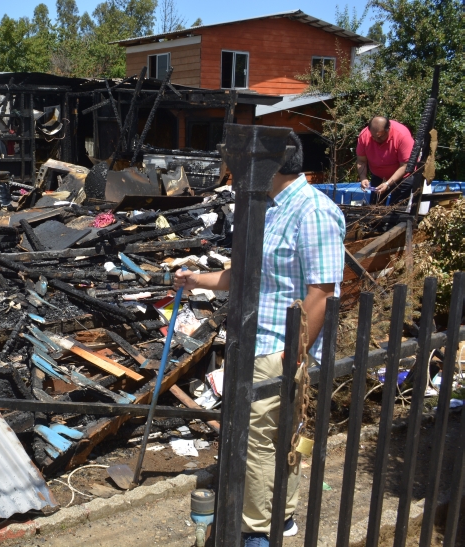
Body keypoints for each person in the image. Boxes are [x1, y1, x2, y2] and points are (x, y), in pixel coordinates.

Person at [175, 132, 345, 547]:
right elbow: (241, 276)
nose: (235, 172)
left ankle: (257, 530)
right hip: (252, 343)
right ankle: (272, 518)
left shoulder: (314, 212)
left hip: (279, 349)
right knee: (264, 440)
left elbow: (321, 293)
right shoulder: (265, 209)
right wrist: (194, 279)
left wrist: (295, 354)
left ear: (270, 165)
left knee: (262, 442)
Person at [356, 116, 415, 204]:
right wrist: (363, 178)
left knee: (395, 210)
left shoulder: (402, 136)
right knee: (375, 207)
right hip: (378, 176)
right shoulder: (364, 135)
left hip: (403, 176)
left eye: (380, 137)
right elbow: (361, 161)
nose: (376, 139)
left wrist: (387, 184)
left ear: (388, 129)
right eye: (373, 136)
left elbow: (405, 165)